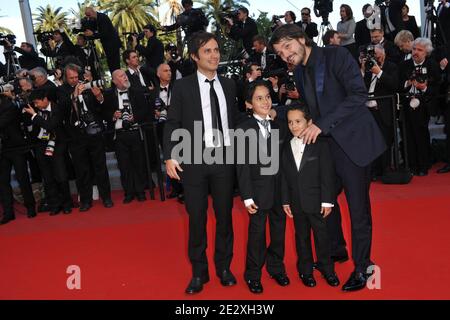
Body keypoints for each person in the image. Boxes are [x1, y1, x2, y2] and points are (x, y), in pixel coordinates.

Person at [269, 24, 386, 292]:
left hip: (354, 143)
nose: (285, 54)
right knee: (325, 199)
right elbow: (311, 108)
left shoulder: (336, 56)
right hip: (326, 147)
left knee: (358, 210)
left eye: (287, 46)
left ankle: (363, 267)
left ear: (301, 39)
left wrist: (321, 124)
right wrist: (276, 111)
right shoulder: (298, 71)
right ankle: (336, 249)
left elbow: (358, 94)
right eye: (279, 52)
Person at [164, 31, 239, 294]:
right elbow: (172, 122)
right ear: (195, 56)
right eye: (207, 51)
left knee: (225, 217)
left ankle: (224, 267)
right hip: (194, 162)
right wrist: (170, 155)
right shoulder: (182, 86)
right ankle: (199, 272)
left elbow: (235, 120)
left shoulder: (229, 85)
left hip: (223, 160)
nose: (214, 55)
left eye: (216, 50)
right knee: (196, 218)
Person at [236, 80, 289, 294]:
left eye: (267, 96)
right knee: (257, 234)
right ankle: (253, 274)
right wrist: (247, 196)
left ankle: (276, 267)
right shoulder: (242, 129)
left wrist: (287, 193)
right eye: (259, 98)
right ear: (249, 104)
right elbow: (242, 165)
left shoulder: (279, 126)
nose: (265, 101)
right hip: (257, 191)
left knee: (279, 231)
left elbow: (284, 163)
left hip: (279, 190)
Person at [281, 104, 339, 288]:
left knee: (322, 236)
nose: (294, 126)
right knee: (301, 238)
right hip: (296, 202)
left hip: (317, 201)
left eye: (298, 121)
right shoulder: (285, 146)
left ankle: (327, 268)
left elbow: (327, 175)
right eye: (290, 122)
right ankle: (305, 271)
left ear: (309, 122)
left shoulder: (321, 145)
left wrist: (328, 201)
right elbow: (283, 176)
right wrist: (285, 200)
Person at [59, 63, 113, 212]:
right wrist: (74, 95)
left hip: (94, 133)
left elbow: (101, 108)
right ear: (66, 77)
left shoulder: (87, 86)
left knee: (100, 167)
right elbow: (62, 110)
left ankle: (106, 197)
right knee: (81, 170)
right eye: (71, 78)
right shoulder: (61, 91)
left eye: (77, 77)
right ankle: (86, 200)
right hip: (76, 137)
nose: (75, 80)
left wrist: (99, 96)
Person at [103, 70, 153, 203]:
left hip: (135, 131)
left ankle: (140, 191)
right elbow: (103, 112)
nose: (125, 77)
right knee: (124, 165)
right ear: (114, 81)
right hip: (118, 135)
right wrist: (113, 115)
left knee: (138, 163)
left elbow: (145, 109)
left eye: (125, 75)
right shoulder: (109, 95)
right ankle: (129, 192)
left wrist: (135, 117)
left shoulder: (136, 91)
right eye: (121, 76)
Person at [23, 88, 73, 215]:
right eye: (34, 103)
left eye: (37, 102)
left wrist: (34, 115)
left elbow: (50, 125)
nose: (35, 105)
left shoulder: (57, 109)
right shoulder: (34, 111)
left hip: (57, 145)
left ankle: (67, 204)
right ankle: (54, 205)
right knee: (48, 177)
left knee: (61, 175)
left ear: (45, 99)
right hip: (41, 146)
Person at [398, 38, 441, 176]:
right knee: (408, 135)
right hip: (406, 104)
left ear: (426, 53)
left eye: (419, 50)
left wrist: (424, 88)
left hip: (424, 104)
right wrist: (408, 84)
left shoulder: (432, 65)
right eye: (414, 49)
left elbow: (438, 86)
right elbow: (397, 84)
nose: (415, 52)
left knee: (421, 135)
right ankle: (410, 165)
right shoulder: (404, 65)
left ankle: (423, 165)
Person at [361, 45, 399, 179]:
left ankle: (386, 170)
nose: (375, 57)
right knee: (371, 142)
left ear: (383, 54)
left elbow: (394, 85)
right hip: (367, 110)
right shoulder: (368, 67)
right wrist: (363, 69)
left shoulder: (391, 66)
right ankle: (374, 171)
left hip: (382, 110)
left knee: (385, 141)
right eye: (372, 54)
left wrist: (379, 72)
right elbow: (360, 86)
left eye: (376, 54)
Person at [0, 96, 36, 225]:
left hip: (17, 148)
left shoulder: (9, 106)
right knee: (3, 182)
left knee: (23, 178)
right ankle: (8, 213)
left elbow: (2, 122)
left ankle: (31, 208)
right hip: (3, 149)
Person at [84, 7, 122, 73]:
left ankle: (117, 79)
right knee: (111, 66)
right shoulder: (95, 20)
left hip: (113, 45)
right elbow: (92, 30)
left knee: (115, 66)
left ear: (92, 12)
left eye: (89, 15)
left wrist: (93, 34)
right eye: (87, 16)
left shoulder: (102, 17)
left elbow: (104, 33)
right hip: (108, 46)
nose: (88, 18)